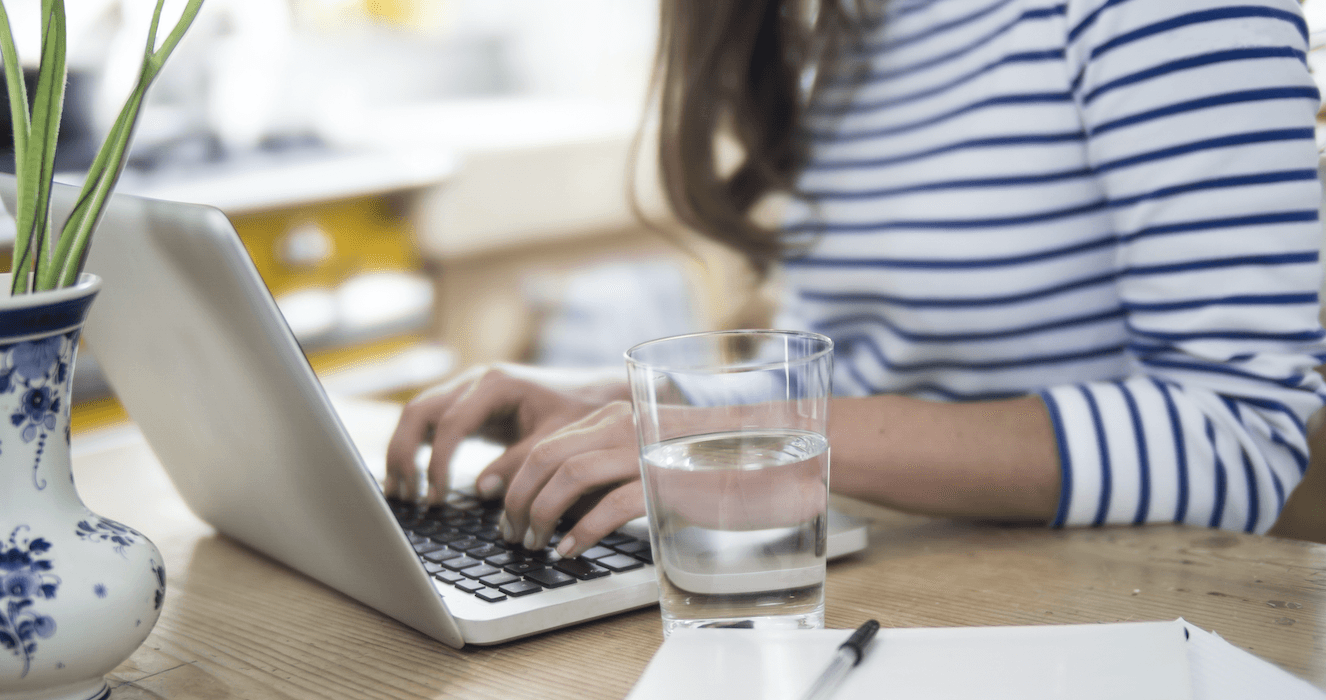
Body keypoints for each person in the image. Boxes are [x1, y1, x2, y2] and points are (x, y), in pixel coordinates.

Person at [385, 0, 1326, 558]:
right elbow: (886, 390)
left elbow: (1238, 433)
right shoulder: (852, 23)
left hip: (1117, 614)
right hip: (916, 581)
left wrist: (753, 436)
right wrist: (647, 407)